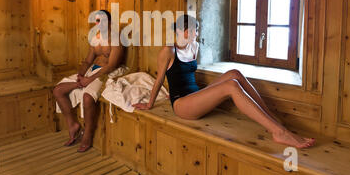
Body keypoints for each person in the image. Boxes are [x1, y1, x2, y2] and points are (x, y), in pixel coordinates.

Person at [133, 14, 315, 149]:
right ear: (183, 31)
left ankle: (274, 123)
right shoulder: (168, 51)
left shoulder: (194, 46)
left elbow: (187, 74)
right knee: (231, 86)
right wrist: (149, 104)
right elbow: (159, 80)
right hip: (182, 105)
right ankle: (279, 132)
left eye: (197, 30)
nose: (196, 34)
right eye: (194, 30)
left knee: (234, 73)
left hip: (196, 96)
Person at [53, 10, 124, 152]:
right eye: (97, 21)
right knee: (58, 90)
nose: (99, 24)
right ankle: (72, 124)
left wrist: (90, 79)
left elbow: (111, 65)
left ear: (109, 22)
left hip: (106, 72)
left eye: (102, 21)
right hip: (91, 70)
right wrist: (80, 75)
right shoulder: (96, 39)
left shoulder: (116, 39)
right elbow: (87, 60)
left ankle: (88, 134)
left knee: (87, 98)